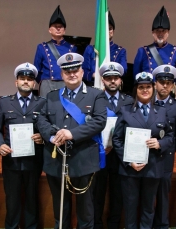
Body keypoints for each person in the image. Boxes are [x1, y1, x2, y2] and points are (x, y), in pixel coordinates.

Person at [37, 53, 107, 229]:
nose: (72, 74)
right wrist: (52, 137)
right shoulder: (52, 96)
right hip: (57, 160)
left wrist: (71, 134)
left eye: (75, 70)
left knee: (85, 210)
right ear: (62, 75)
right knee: (60, 207)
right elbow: (42, 120)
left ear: (82, 72)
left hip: (83, 160)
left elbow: (99, 121)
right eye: (67, 71)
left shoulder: (95, 95)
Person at [112, 71, 174, 229]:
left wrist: (160, 143)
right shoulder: (125, 111)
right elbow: (117, 139)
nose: (145, 90)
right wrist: (128, 161)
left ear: (153, 88)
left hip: (153, 166)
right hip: (130, 169)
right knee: (130, 208)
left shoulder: (161, 111)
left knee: (148, 208)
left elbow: (170, 136)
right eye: (141, 87)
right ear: (135, 90)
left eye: (148, 86)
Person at [0, 63, 46, 229]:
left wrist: (43, 138)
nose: (26, 82)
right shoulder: (5, 102)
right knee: (12, 199)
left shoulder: (42, 102)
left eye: (30, 79)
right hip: (11, 160)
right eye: (22, 78)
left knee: (32, 198)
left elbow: (48, 128)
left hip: (33, 159)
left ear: (34, 84)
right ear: (16, 82)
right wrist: (0, 145)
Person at [93, 62, 134, 229]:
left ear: (120, 80)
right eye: (108, 78)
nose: (112, 81)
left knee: (118, 194)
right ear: (103, 80)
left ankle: (114, 225)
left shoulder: (129, 100)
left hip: (120, 155)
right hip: (99, 154)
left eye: (115, 78)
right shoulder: (95, 98)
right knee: (98, 193)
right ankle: (96, 224)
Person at [151, 65, 176, 229]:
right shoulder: (147, 103)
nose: (164, 86)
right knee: (147, 195)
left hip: (166, 158)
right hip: (146, 157)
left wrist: (166, 146)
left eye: (168, 82)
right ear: (155, 84)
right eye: (161, 82)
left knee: (163, 195)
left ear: (173, 85)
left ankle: (162, 225)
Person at [133, 5, 176, 90]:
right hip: (148, 92)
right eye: (157, 31)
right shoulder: (142, 51)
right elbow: (136, 74)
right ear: (152, 33)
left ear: (168, 33)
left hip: (166, 91)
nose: (160, 34)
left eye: (163, 31)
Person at [34, 5, 77, 97]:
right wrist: (44, 82)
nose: (58, 28)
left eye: (60, 27)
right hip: (47, 83)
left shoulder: (72, 48)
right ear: (50, 30)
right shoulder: (42, 47)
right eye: (55, 26)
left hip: (65, 83)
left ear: (64, 30)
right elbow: (36, 70)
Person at [82, 11, 127, 86]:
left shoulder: (120, 50)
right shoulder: (90, 49)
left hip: (111, 86)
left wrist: (110, 76)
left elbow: (123, 70)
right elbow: (83, 70)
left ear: (113, 32)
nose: (107, 31)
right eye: (105, 28)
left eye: (110, 29)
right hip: (92, 85)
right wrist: (93, 75)